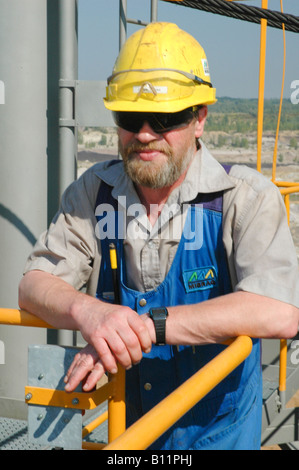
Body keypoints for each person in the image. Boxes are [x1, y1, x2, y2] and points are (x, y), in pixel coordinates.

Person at [19, 22, 299, 450]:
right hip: (128, 436)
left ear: (199, 118)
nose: (145, 133)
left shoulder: (244, 199)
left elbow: (280, 310)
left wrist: (147, 327)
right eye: (130, 117)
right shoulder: (95, 193)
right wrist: (90, 313)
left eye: (165, 118)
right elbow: (34, 283)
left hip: (217, 438)